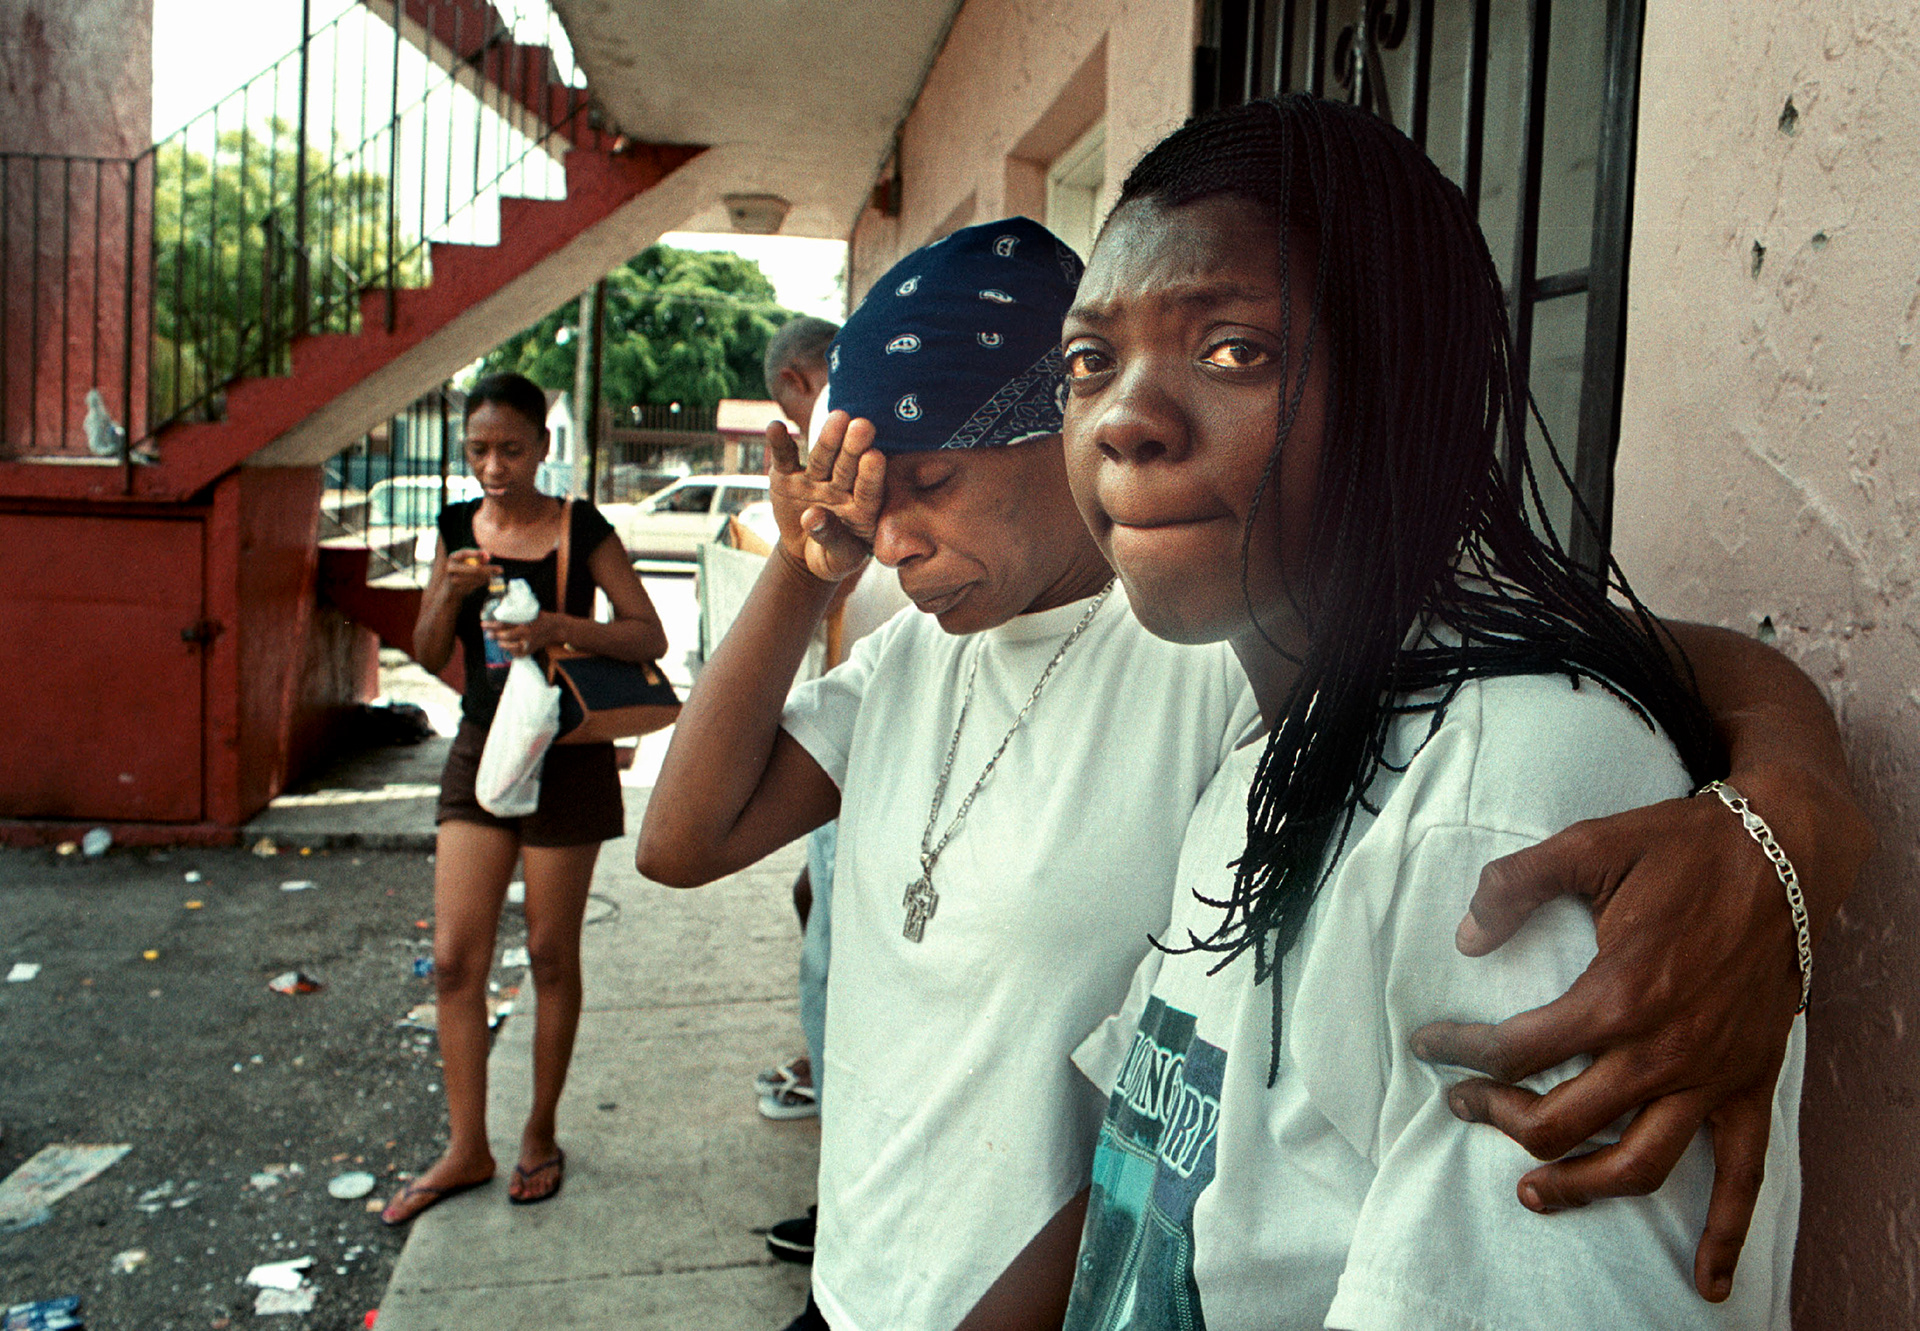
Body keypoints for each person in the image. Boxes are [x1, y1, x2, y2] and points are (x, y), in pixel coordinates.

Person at [638, 220, 1863, 1331]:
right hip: (861, 1283)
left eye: (931, 481)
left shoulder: (1220, 627)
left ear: (1046, 438)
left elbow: (1641, 658)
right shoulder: (911, 653)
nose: (893, 535)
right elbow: (681, 840)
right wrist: (808, 571)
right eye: (867, 493)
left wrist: (1792, 819)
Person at [1030, 94, 1870, 1327]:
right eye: (1089, 361)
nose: (1122, 419)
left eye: (1233, 350)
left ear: (1401, 387)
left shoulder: (1497, 804)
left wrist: (1797, 805)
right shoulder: (1270, 732)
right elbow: (1150, 1182)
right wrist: (1797, 777)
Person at [384, 372, 668, 1224]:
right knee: (454, 960)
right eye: (478, 450)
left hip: (568, 748)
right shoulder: (452, 531)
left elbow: (647, 631)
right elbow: (431, 651)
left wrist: (556, 628)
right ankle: (467, 1145)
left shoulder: (582, 529)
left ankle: (539, 1131)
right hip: (483, 746)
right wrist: (449, 589)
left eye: (511, 448)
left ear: (543, 447)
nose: (494, 466)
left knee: (550, 953)